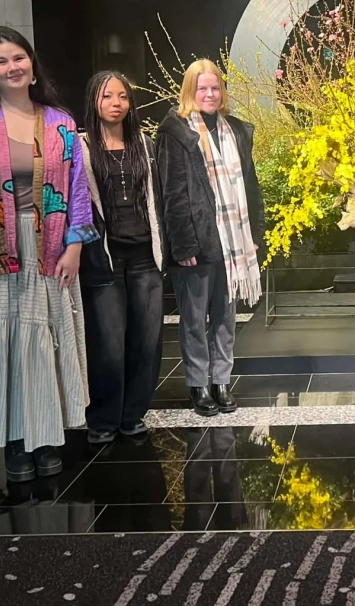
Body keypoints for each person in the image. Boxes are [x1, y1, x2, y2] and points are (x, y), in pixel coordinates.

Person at [0, 26, 98, 481]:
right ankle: (15, 442)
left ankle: (47, 435)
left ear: (32, 63)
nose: (12, 67)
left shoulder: (60, 122)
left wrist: (75, 248)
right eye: (1, 61)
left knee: (45, 343)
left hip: (49, 250)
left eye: (18, 58)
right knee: (6, 345)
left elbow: (77, 191)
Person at [157, 59, 264, 417]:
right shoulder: (176, 132)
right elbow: (171, 193)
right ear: (190, 91)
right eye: (202, 88)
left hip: (233, 242)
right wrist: (183, 244)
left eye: (215, 88)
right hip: (197, 241)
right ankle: (198, 385)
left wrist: (254, 235)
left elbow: (250, 188)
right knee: (193, 318)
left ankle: (221, 381)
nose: (210, 94)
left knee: (225, 317)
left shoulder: (236, 130)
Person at [79, 71, 165, 445]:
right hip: (104, 258)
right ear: (94, 102)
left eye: (123, 96)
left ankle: (133, 414)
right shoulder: (80, 147)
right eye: (107, 96)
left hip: (146, 255)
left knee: (147, 340)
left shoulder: (144, 144)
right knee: (108, 343)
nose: (116, 103)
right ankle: (103, 417)